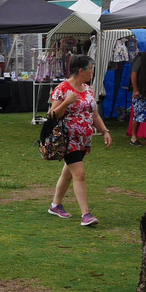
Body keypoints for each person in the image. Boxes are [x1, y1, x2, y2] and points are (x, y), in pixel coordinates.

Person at [48, 54, 111, 226]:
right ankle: (86, 214)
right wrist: (66, 102)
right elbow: (52, 115)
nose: (92, 72)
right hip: (69, 139)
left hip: (83, 140)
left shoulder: (88, 89)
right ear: (81, 70)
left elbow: (94, 114)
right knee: (79, 174)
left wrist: (104, 130)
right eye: (91, 69)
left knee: (68, 172)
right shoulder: (63, 89)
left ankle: (55, 205)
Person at [130, 38, 146, 146]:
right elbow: (134, 73)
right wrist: (136, 90)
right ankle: (134, 137)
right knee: (139, 115)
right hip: (141, 91)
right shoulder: (141, 57)